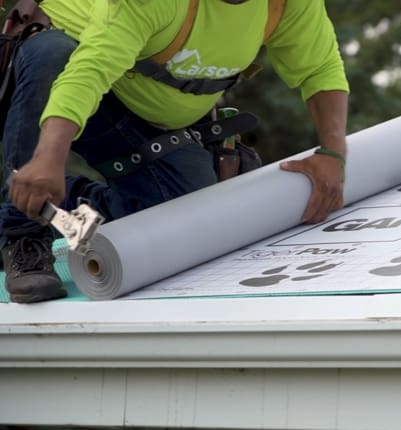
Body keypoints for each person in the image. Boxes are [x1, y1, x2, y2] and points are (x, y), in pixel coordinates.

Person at [0, 0, 350, 303]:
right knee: (52, 55)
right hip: (71, 66)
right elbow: (89, 72)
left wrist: (333, 155)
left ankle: (53, 200)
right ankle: (23, 233)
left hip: (144, 112)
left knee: (179, 217)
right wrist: (48, 158)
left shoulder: (285, 4)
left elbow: (320, 68)